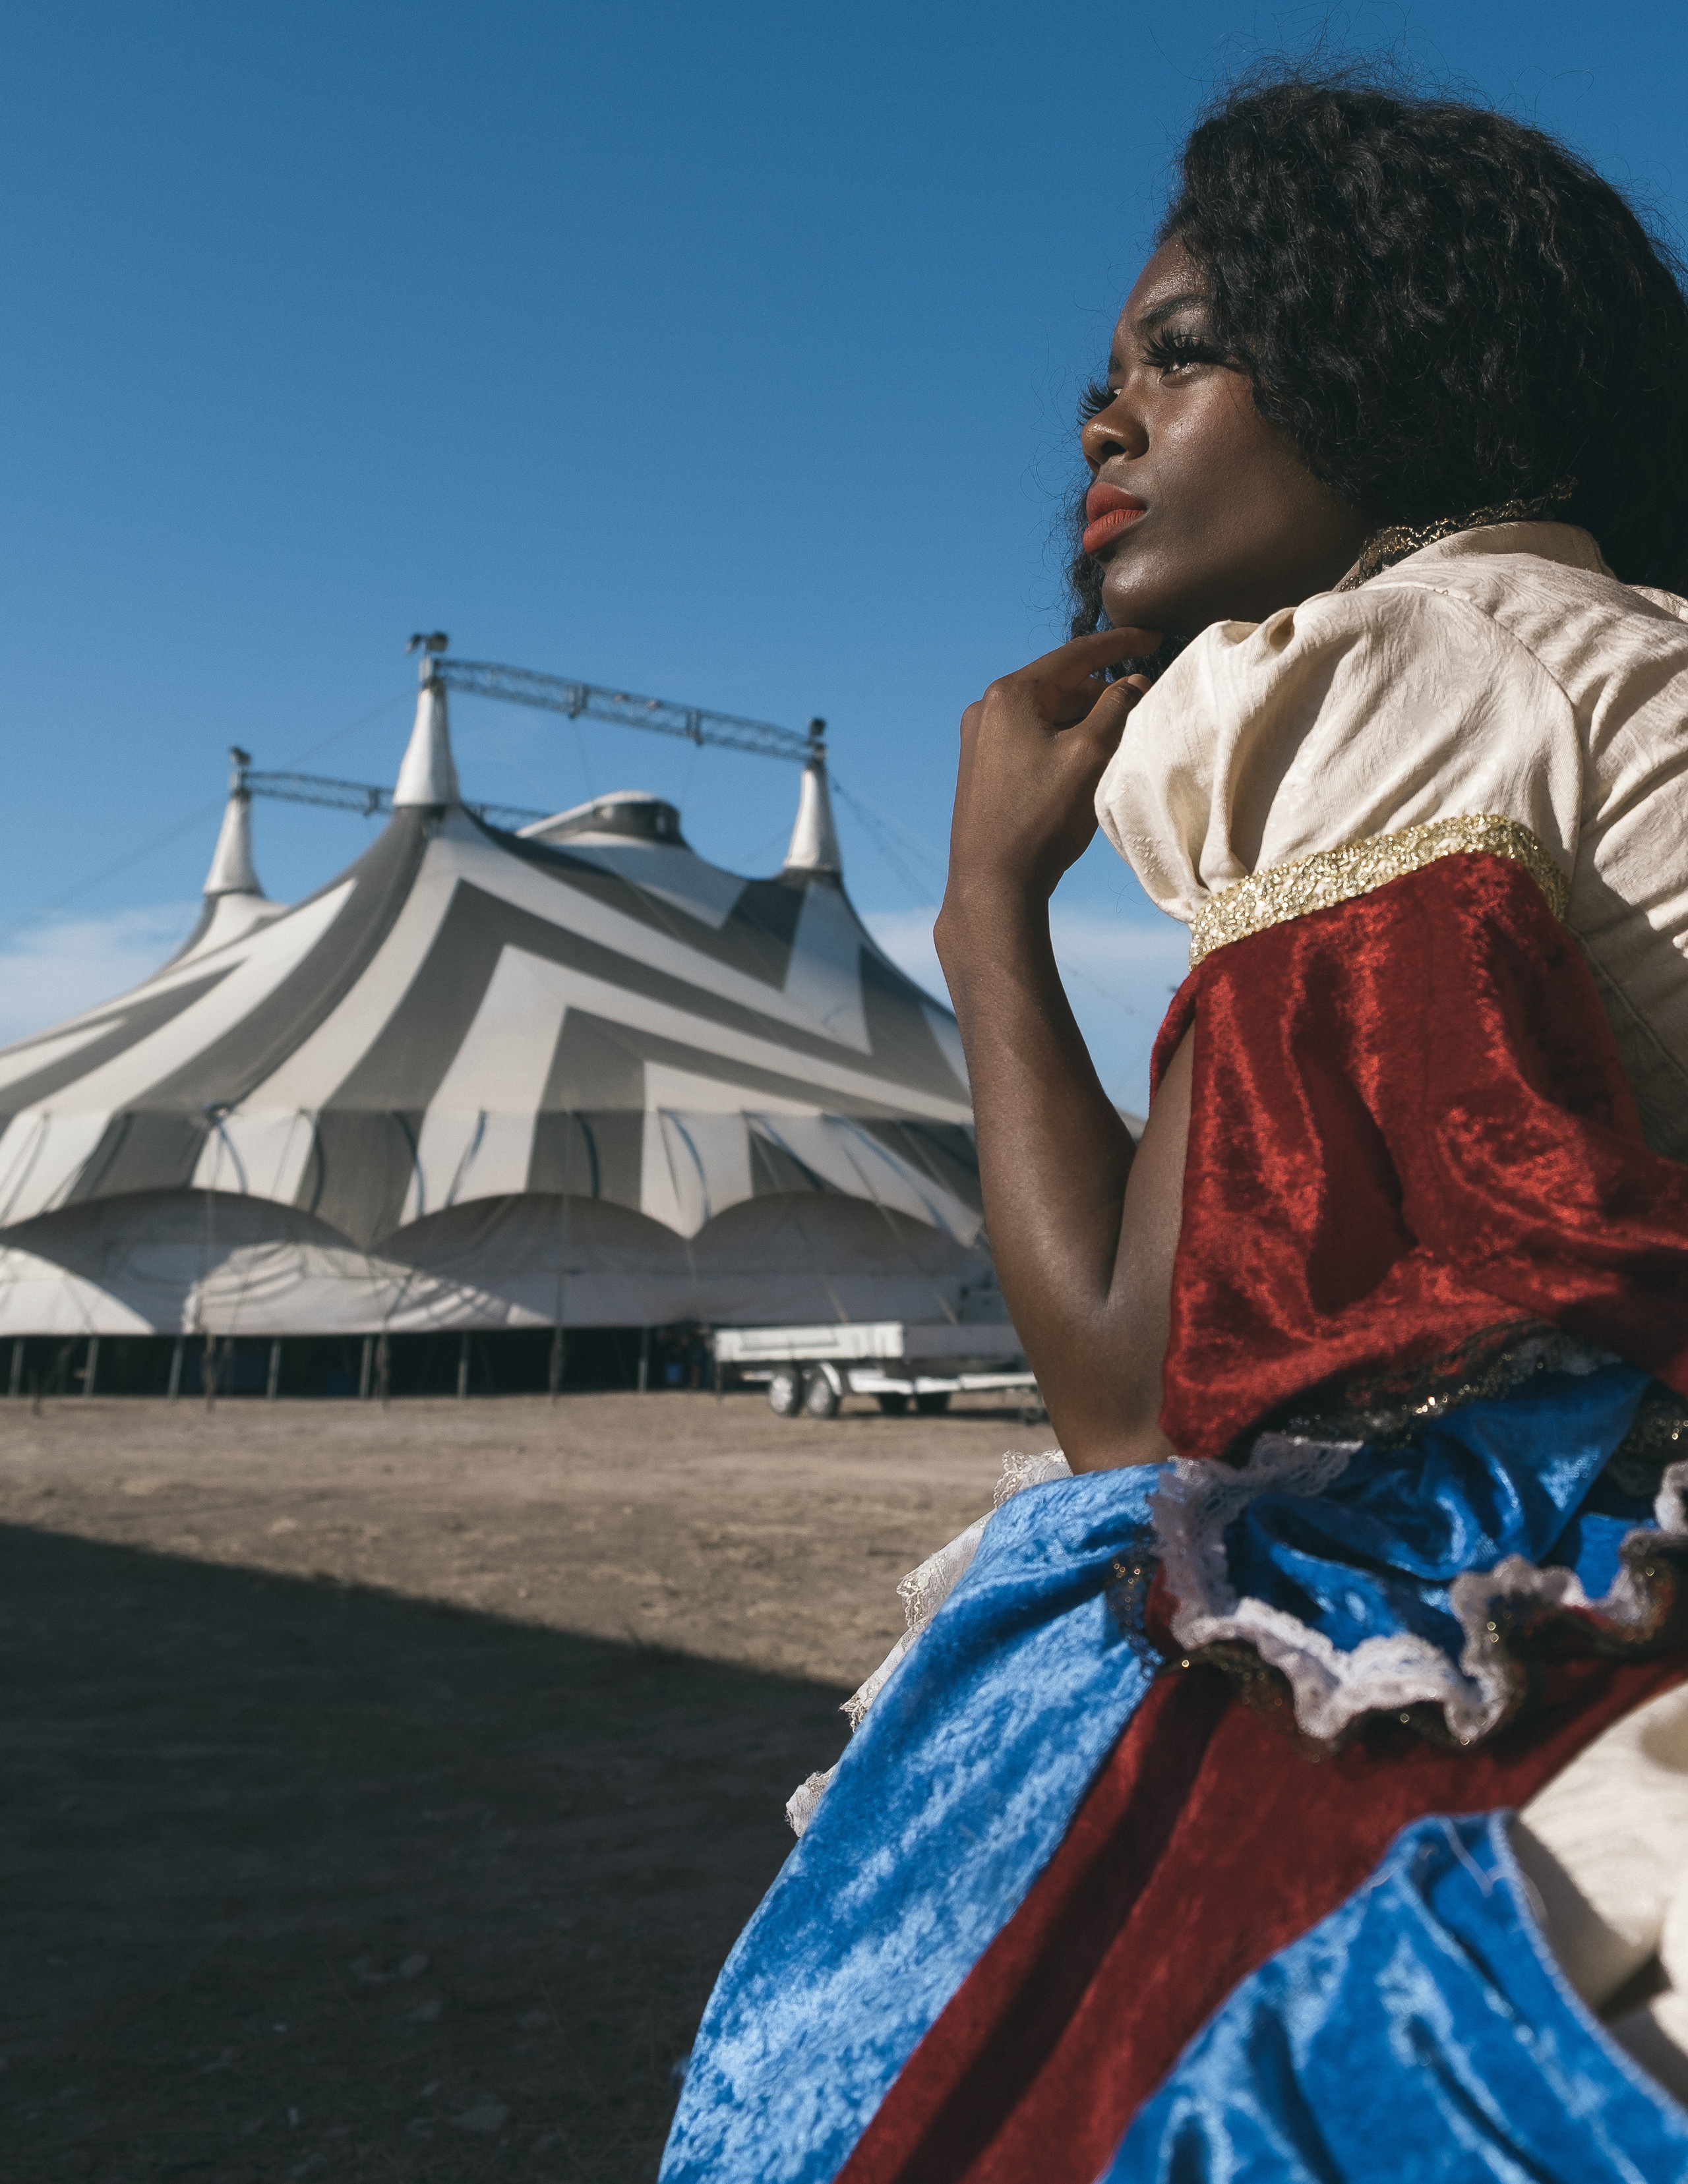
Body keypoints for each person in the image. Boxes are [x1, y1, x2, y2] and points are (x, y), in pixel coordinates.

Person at [661, 69, 1688, 2183]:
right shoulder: (1619, 662)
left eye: (1184, 350)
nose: (1101, 421)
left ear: (1397, 366)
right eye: (1106, 375)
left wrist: (981, 910)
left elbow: (1144, 1402)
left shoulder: (1398, 671)